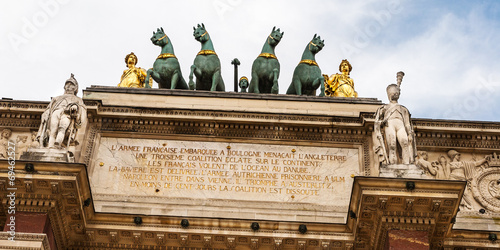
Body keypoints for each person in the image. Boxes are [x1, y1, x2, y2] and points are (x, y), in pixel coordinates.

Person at [37, 74, 86, 149]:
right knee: (53, 130)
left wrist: (76, 107)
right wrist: (46, 114)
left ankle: (58, 143)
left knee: (62, 127)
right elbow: (48, 108)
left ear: (75, 88)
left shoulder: (78, 99)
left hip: (67, 114)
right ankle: (50, 146)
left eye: (71, 85)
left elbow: (82, 109)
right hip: (56, 111)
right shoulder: (56, 98)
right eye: (67, 84)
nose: (69, 86)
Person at [374, 84, 416, 165]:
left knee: (405, 143)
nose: (395, 94)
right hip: (389, 125)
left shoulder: (403, 109)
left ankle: (406, 164)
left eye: (397, 93)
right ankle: (392, 164)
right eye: (393, 93)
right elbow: (377, 121)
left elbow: (407, 123)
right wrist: (382, 122)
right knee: (392, 145)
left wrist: (410, 134)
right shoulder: (384, 108)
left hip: (401, 125)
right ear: (389, 95)